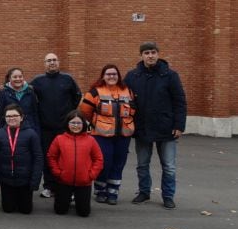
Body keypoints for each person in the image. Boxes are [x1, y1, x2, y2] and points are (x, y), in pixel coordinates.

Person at [124, 41, 187, 210]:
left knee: (169, 165)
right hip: (142, 127)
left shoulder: (170, 75)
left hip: (166, 127)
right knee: (142, 163)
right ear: (141, 56)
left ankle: (168, 196)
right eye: (146, 53)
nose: (150, 56)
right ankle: (144, 192)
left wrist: (179, 125)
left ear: (158, 54)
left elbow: (179, 102)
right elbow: (126, 101)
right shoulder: (132, 76)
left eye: (153, 52)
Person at [79, 64, 135, 205]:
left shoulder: (127, 91)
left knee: (118, 164)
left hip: (123, 135)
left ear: (118, 76)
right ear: (103, 76)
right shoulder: (94, 92)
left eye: (114, 74)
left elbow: (134, 109)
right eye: (108, 74)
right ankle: (100, 190)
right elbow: (85, 112)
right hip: (101, 135)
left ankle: (113, 192)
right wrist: (94, 125)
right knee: (104, 163)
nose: (111, 76)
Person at [31, 53, 82, 198]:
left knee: (66, 157)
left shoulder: (68, 79)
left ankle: (66, 188)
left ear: (58, 62)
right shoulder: (37, 81)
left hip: (64, 128)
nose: (51, 63)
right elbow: (25, 91)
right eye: (48, 61)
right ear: (44, 63)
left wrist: (68, 114)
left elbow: (77, 96)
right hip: (45, 127)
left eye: (54, 60)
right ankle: (49, 186)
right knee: (49, 157)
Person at [47, 111, 104, 217]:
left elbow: (98, 159)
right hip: (63, 180)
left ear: (83, 124)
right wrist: (58, 173)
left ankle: (77, 199)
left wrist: (91, 175)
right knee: (60, 211)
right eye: (73, 123)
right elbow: (51, 157)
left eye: (78, 123)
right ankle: (66, 199)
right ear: (67, 124)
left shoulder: (91, 140)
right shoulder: (59, 139)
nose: (75, 126)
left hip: (84, 181)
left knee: (84, 213)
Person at [0, 104, 43, 214]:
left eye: (15, 115)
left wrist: (35, 181)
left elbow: (38, 158)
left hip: (25, 180)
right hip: (6, 180)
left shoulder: (31, 134)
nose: (11, 118)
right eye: (8, 116)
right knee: (8, 209)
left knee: (25, 210)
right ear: (5, 118)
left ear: (22, 117)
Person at [0, 68, 39, 135]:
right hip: (10, 130)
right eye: (15, 77)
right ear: (10, 79)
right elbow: (1, 114)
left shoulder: (30, 91)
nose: (18, 79)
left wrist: (36, 131)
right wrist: (1, 131)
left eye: (20, 76)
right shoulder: (3, 93)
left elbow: (35, 113)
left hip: (29, 128)